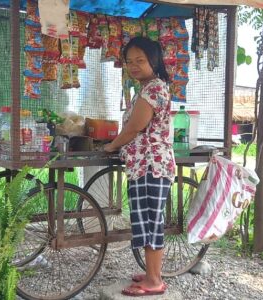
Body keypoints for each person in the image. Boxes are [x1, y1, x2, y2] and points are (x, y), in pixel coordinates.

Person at [103, 36, 175, 297]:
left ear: (154, 62)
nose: (133, 66)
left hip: (151, 165)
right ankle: (150, 273)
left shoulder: (154, 88)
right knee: (145, 221)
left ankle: (155, 281)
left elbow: (135, 127)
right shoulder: (144, 88)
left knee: (151, 222)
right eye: (129, 61)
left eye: (140, 60)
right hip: (142, 165)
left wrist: (111, 146)